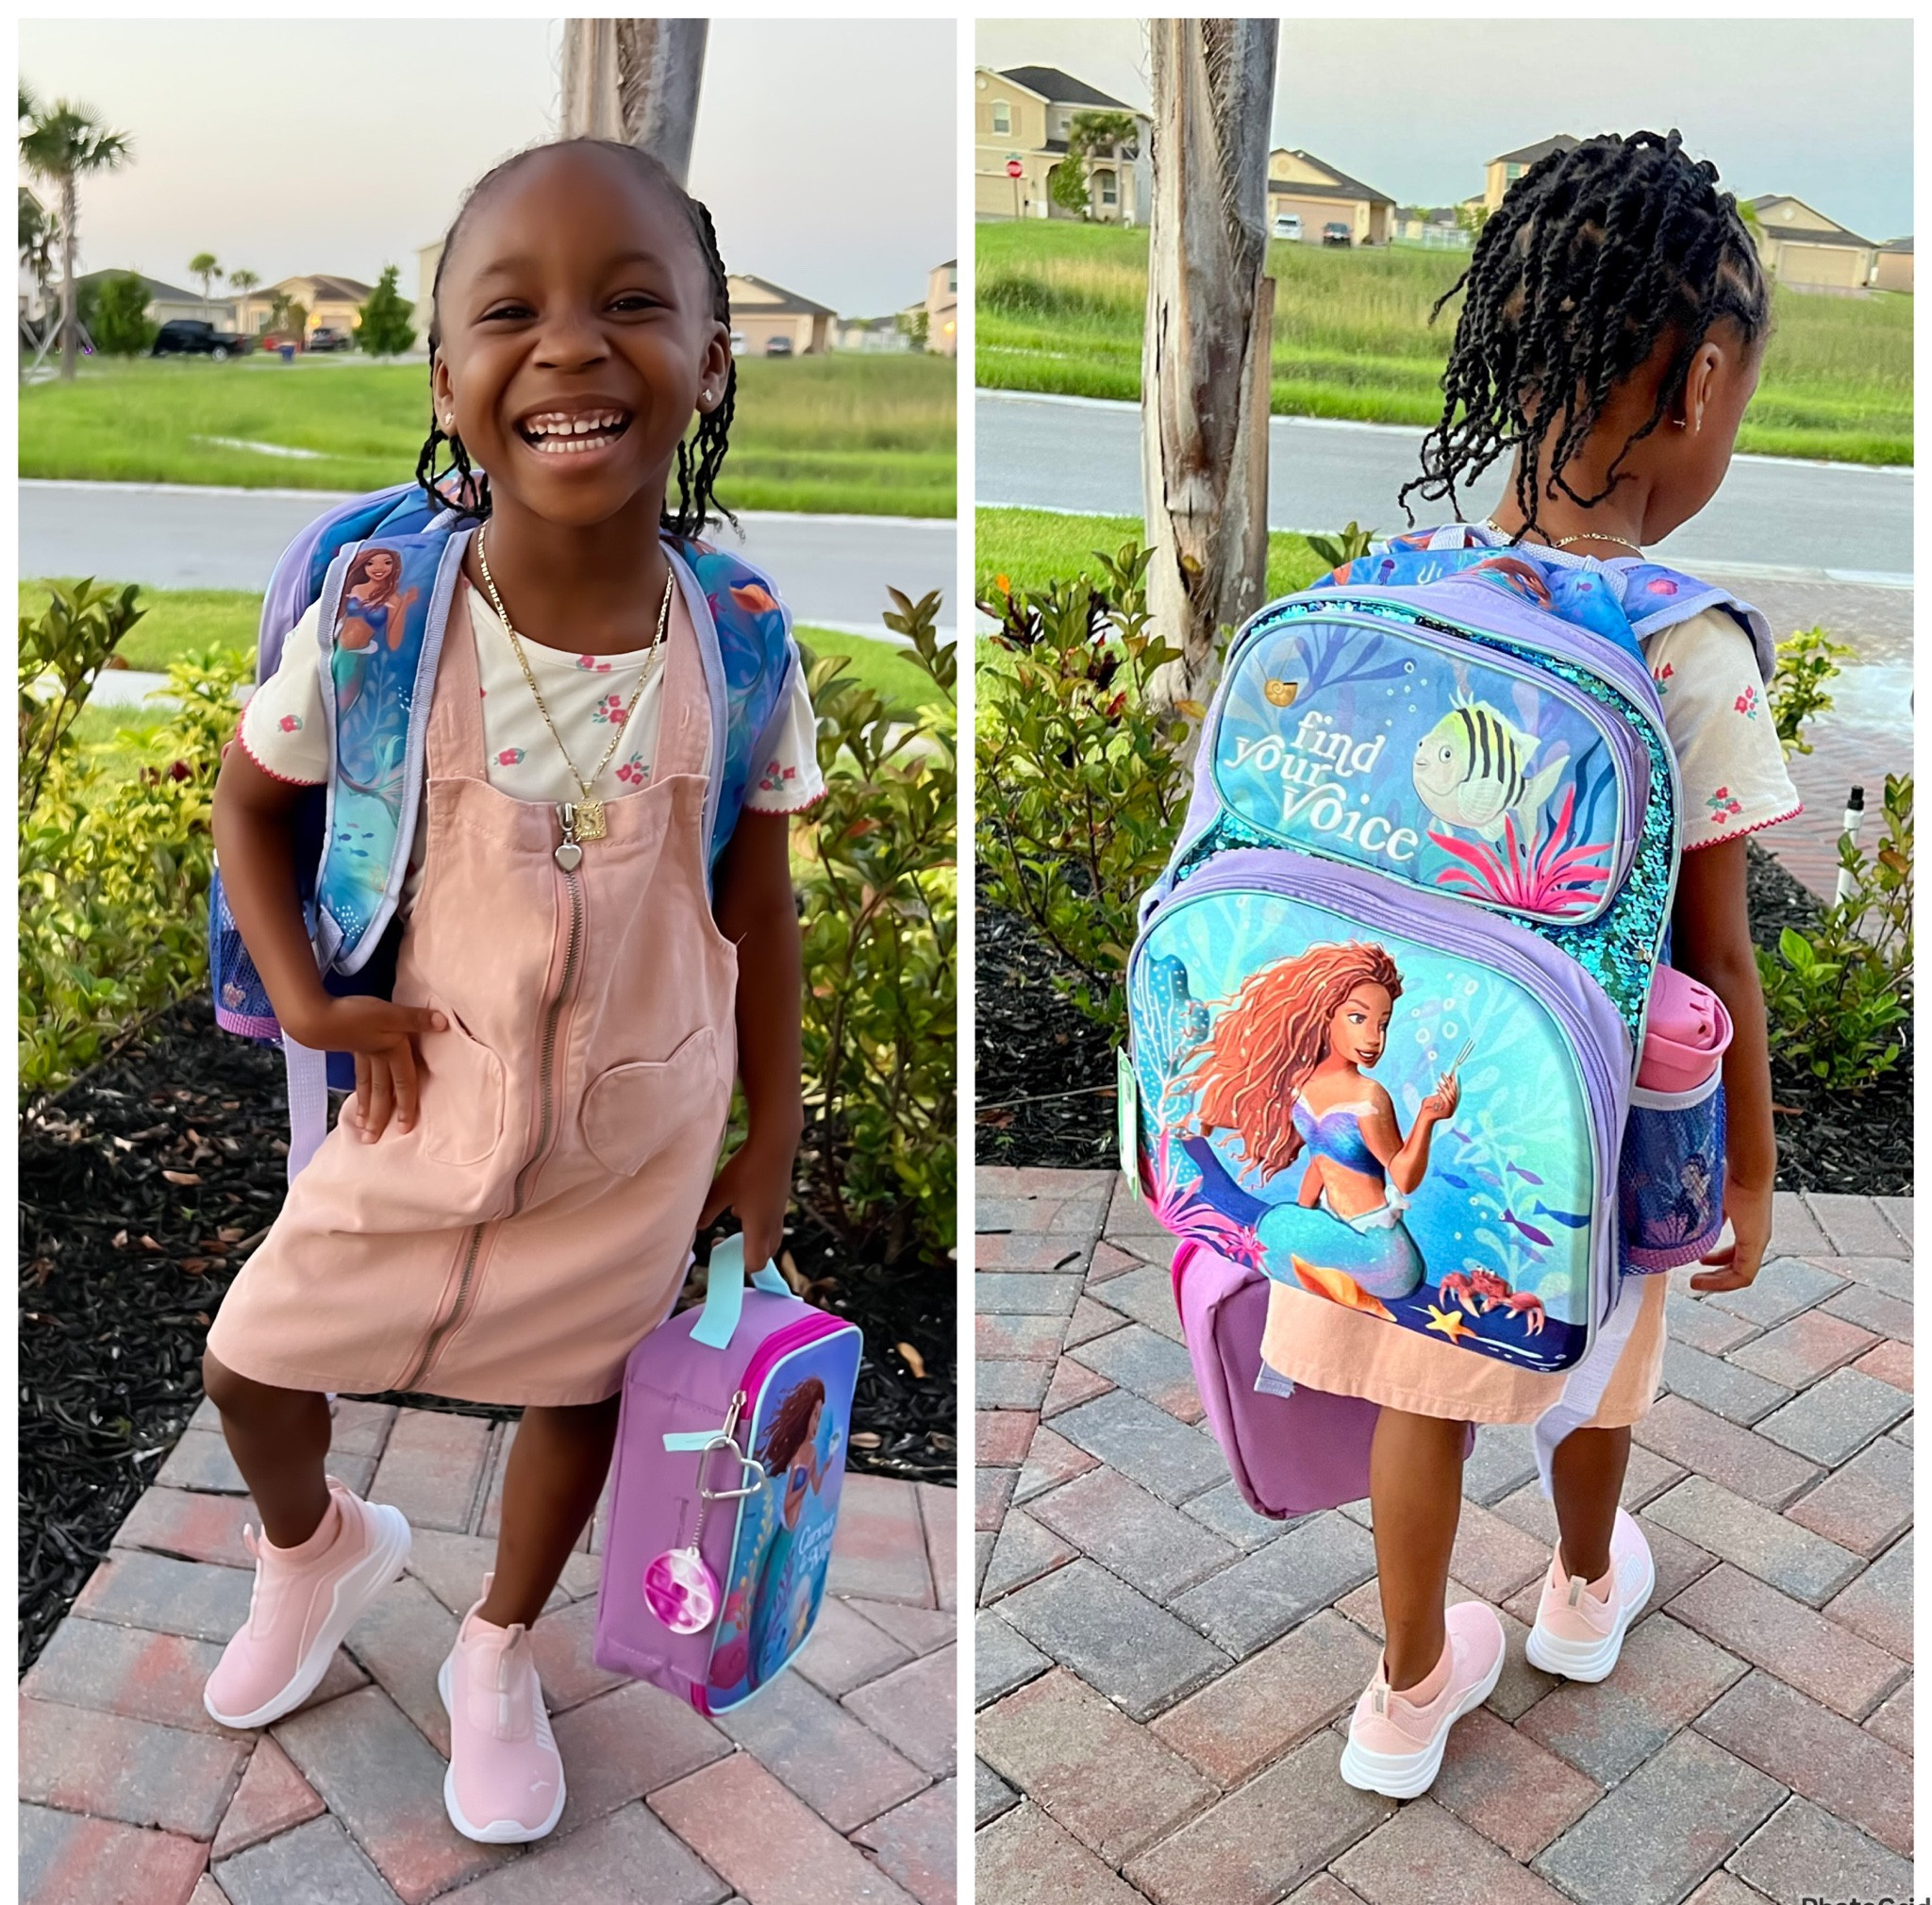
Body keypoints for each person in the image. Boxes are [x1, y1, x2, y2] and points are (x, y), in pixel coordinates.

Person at [195, 138, 824, 1844]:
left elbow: (758, 905)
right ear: (449, 376)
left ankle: (495, 1649)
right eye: (510, 312)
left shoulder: (743, 635)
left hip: (642, 1119)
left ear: (710, 361)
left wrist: (767, 1146)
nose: (568, 347)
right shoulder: (385, 618)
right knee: (250, 1362)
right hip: (421, 1099)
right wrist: (311, 1006)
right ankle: (316, 1553)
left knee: (583, 1389)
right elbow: (248, 805)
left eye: (633, 304)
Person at [1258, 130, 1798, 1799]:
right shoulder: (1681, 639)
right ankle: (1578, 1593)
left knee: (1420, 1384)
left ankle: (1407, 1690)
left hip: (1419, 1095)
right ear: (1701, 379)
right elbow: (1720, 947)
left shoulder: (1397, 584)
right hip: (1601, 1115)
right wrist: (1754, 1178)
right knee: (1601, 1364)